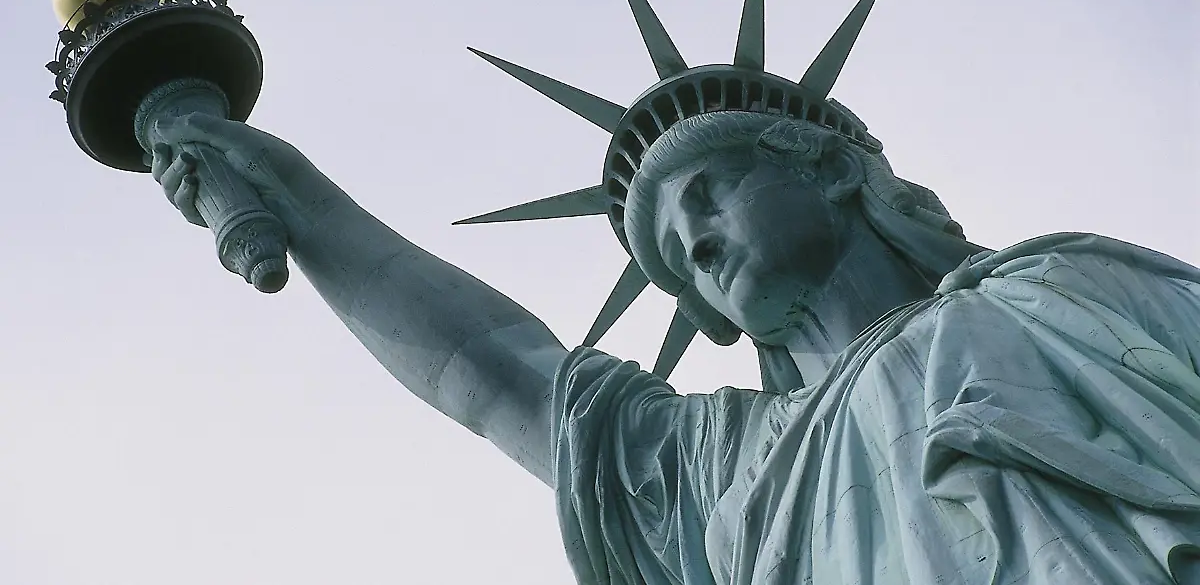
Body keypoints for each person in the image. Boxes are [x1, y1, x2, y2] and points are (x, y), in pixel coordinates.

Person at [148, 107, 1199, 584]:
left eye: (708, 193)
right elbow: (493, 372)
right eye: (673, 259)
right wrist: (306, 202)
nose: (695, 245)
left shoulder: (1073, 283)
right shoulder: (725, 472)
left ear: (828, 168)